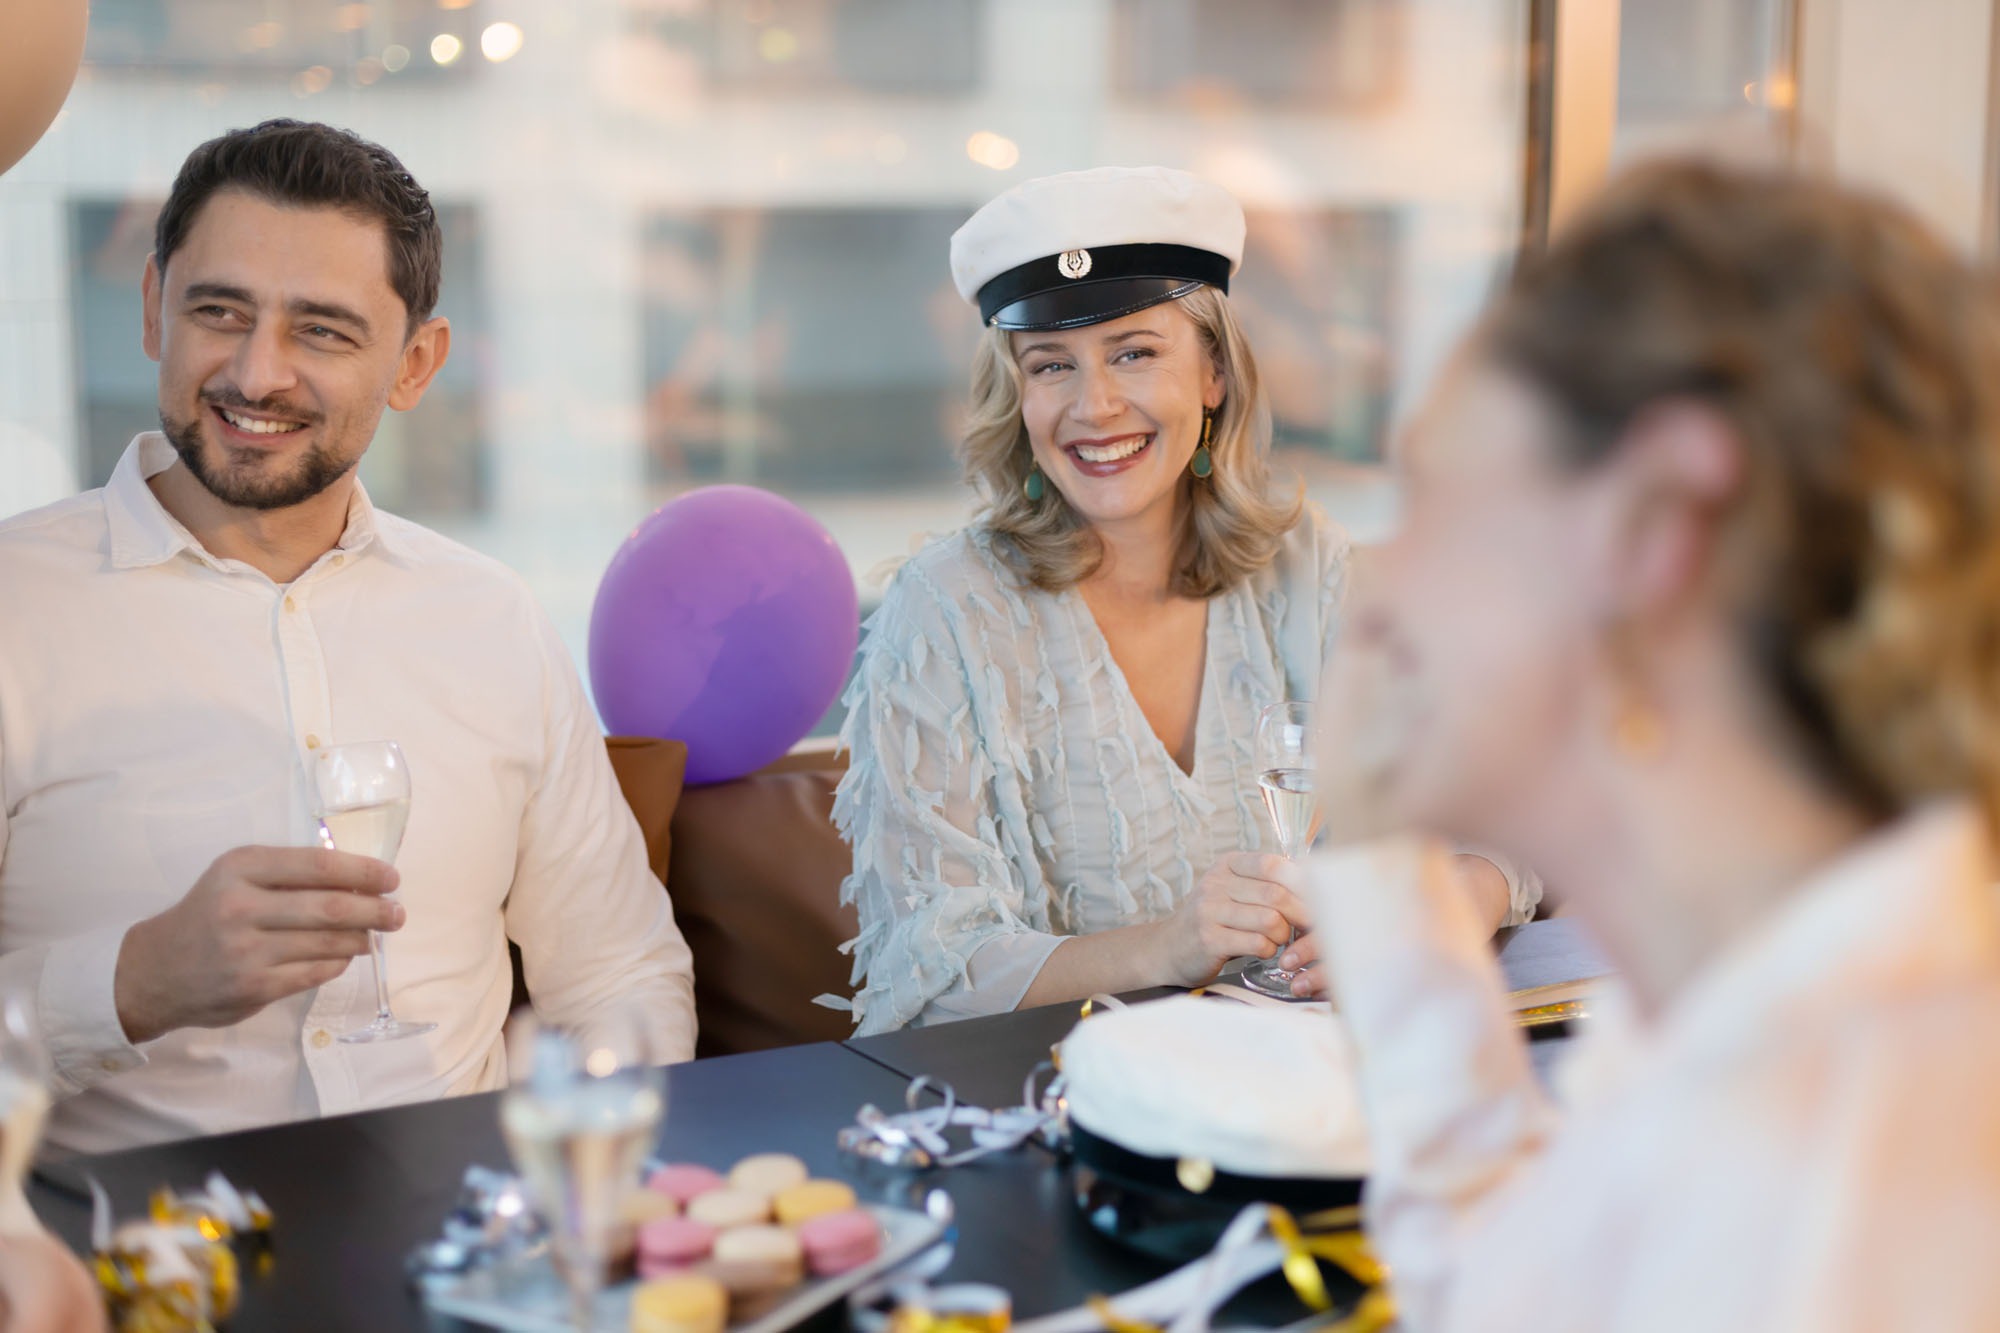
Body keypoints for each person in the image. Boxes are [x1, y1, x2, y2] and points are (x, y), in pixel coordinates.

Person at [1304, 159, 2000, 1330]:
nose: (1377, 597)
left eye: (1429, 494)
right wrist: (1380, 878)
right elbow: (1510, 1292)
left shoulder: (1834, 1193)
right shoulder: (1734, 1012)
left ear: (1652, 520)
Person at [0, 120, 697, 1155]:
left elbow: (616, 975)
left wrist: (580, 1208)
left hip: (464, 1253)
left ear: (415, 364)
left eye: (321, 330)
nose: (258, 373)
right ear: (153, 309)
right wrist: (131, 983)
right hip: (123, 1266)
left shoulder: (491, 615)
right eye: (219, 310)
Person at [833, 167, 1539, 1034]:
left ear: (1212, 373)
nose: (1094, 406)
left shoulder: (1307, 566)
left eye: (1134, 352)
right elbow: (928, 971)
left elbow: (1504, 804)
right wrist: (1167, 946)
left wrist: (1469, 890)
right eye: (1052, 365)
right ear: (1018, 398)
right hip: (1050, 1108)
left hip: (1308, 1081)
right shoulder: (943, 613)